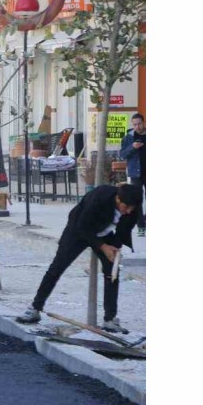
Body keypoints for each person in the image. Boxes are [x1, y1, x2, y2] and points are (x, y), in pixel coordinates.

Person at [16, 183, 143, 333]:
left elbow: (124, 230)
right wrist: (103, 246)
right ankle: (35, 308)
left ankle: (110, 319)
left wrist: (114, 248)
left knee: (112, 273)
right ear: (117, 199)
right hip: (78, 230)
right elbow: (82, 226)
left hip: (104, 232)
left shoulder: (133, 207)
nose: (128, 211)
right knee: (57, 267)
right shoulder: (100, 197)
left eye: (131, 208)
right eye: (125, 207)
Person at [119, 113, 146, 236]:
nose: (137, 127)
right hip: (135, 172)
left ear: (143, 123)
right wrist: (133, 147)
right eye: (135, 124)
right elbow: (122, 155)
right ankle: (141, 226)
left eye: (139, 124)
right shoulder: (128, 138)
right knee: (137, 199)